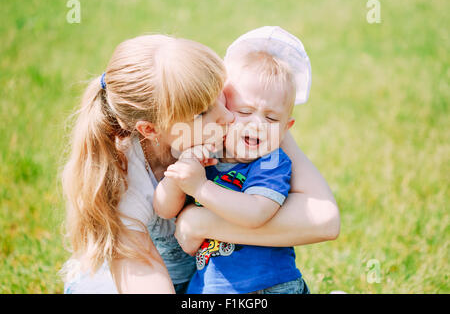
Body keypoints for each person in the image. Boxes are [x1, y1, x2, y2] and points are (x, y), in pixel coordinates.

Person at [61, 31, 339, 294]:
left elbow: (324, 221)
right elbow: (144, 271)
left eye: (220, 94)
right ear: (151, 130)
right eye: (203, 112)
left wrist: (201, 220)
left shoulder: (252, 121)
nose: (229, 116)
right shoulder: (122, 172)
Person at [154, 27, 318, 293]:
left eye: (271, 118)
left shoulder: (271, 162)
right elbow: (163, 209)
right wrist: (181, 175)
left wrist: (200, 188)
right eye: (244, 111)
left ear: (287, 127)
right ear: (225, 111)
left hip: (271, 286)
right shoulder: (206, 153)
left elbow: (255, 213)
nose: (257, 125)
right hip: (208, 287)